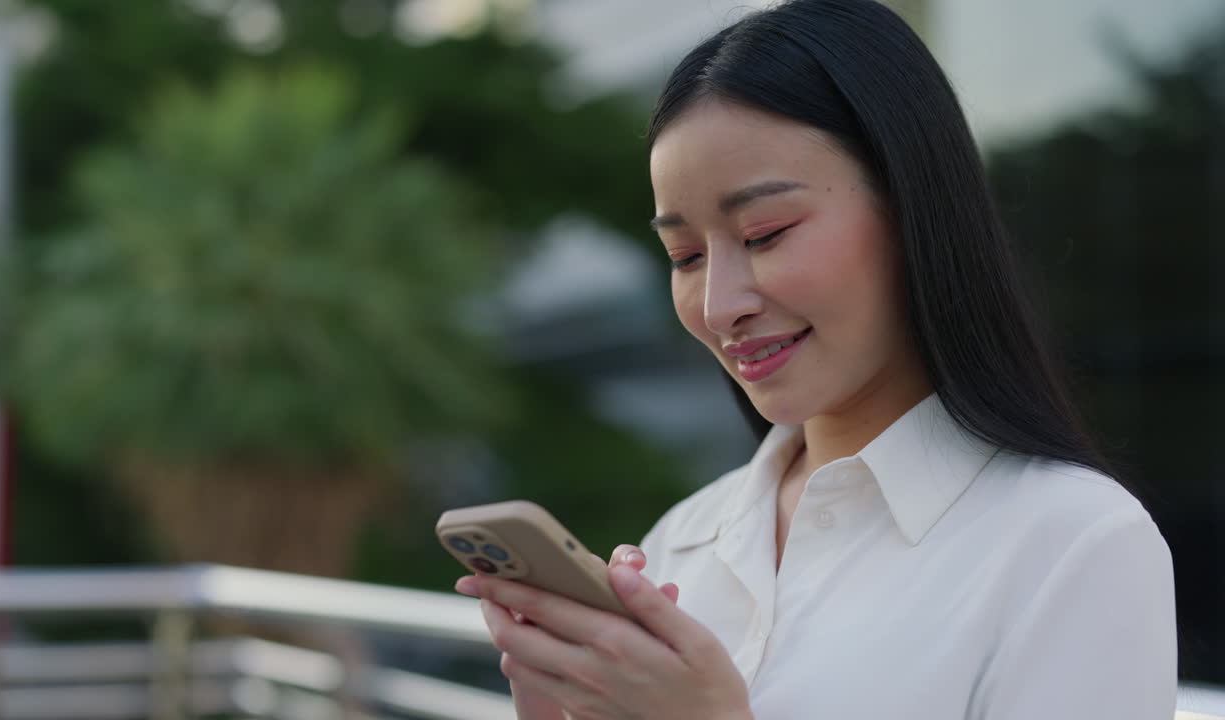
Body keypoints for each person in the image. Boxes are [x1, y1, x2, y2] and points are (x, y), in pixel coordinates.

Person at [454, 1, 1178, 717]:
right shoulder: (682, 542)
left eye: (764, 234)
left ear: (912, 208)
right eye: (685, 256)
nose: (718, 306)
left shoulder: (1074, 544)